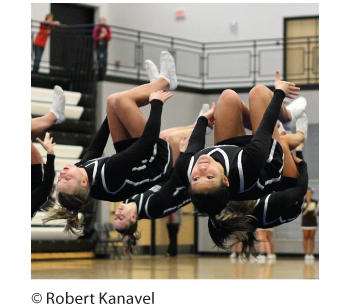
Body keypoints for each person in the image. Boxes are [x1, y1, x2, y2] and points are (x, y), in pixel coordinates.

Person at [42, 52, 178, 235]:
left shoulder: (81, 173)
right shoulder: (109, 175)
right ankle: (165, 83)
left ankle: (154, 86)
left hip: (134, 159)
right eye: (67, 179)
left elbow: (95, 148)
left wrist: (112, 114)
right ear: (83, 182)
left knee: (113, 101)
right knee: (121, 101)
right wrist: (156, 104)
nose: (63, 173)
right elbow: (147, 141)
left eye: (60, 179)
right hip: (155, 162)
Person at [188, 101, 309, 258]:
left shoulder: (228, 193)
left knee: (233, 105)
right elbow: (299, 191)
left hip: (256, 187)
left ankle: (275, 125)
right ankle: (296, 132)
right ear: (252, 201)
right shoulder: (269, 207)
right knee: (283, 141)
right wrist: (302, 165)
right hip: (287, 190)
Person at [175, 71, 304, 210]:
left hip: (233, 154)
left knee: (227, 97)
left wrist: (203, 120)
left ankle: (259, 117)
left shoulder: (186, 169)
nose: (201, 169)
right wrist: (280, 92)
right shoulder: (246, 168)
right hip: (266, 162)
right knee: (259, 93)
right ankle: (288, 119)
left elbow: (194, 144)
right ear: (225, 179)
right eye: (210, 177)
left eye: (196, 179)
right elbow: (265, 127)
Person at [113, 127, 193, 255]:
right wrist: (183, 153)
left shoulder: (128, 200)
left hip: (169, 175)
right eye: (121, 218)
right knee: (174, 139)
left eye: (115, 218)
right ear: (133, 217)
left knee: (163, 136)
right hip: (186, 184)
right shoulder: (152, 208)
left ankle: (199, 124)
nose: (117, 214)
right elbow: (174, 181)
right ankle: (203, 124)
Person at [31, 86, 66, 218]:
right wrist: (50, 154)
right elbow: (46, 189)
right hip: (34, 179)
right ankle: (54, 116)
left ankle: (54, 116)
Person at [301, 186, 319, 261]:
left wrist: (317, 214)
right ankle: (306, 254)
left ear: (312, 194)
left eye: (310, 193)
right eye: (307, 193)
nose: (308, 194)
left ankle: (311, 253)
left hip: (313, 222)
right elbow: (301, 212)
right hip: (305, 222)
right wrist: (307, 203)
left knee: (312, 237)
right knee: (305, 237)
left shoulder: (315, 201)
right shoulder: (302, 202)